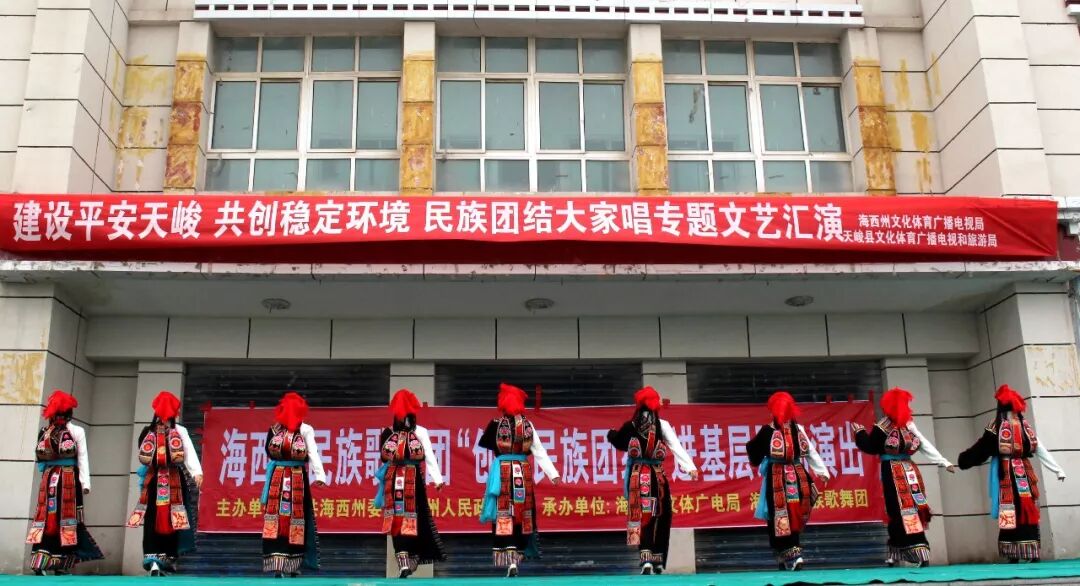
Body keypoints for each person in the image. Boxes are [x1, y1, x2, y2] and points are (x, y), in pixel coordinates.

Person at [958, 384, 1066, 563]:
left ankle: (1031, 551)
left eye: (1017, 411)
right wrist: (965, 460)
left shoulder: (1025, 427)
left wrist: (1057, 469)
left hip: (1024, 472)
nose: (1015, 415)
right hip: (1005, 473)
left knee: (1028, 508)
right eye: (1013, 411)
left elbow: (1039, 448)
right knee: (1009, 509)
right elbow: (981, 448)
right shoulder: (996, 427)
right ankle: (1013, 552)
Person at [850, 388, 955, 567]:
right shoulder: (908, 425)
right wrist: (943, 462)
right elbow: (924, 444)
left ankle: (913, 549)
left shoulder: (882, 426)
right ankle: (906, 550)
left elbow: (870, 447)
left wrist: (859, 433)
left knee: (898, 509)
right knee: (910, 507)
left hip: (892, 471)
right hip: (909, 470)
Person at [606, 386, 699, 575]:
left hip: (637, 478)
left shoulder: (631, 426)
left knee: (642, 516)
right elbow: (676, 446)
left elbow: (619, 442)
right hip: (657, 478)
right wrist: (690, 467)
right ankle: (657, 559)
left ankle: (646, 559)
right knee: (661, 516)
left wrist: (611, 434)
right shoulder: (662, 425)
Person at [478, 383, 561, 577]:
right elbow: (539, 451)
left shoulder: (495, 424)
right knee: (522, 514)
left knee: (504, 514)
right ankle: (517, 557)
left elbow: (485, 443)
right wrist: (553, 473)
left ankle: (509, 557)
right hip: (522, 474)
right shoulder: (527, 425)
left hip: (503, 474)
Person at [746, 391, 830, 571]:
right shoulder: (796, 430)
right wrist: (822, 471)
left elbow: (753, 452)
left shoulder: (768, 431)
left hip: (780, 478)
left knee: (783, 515)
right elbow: (811, 452)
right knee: (790, 514)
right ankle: (790, 555)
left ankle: (787, 555)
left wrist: (822, 471)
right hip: (795, 477)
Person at [126, 391, 203, 576]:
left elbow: (143, 455)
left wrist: (196, 472)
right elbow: (188, 453)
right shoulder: (179, 431)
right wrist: (196, 473)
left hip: (153, 480)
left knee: (154, 517)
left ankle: (154, 560)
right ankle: (166, 559)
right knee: (173, 517)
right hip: (173, 479)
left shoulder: (147, 432)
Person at [26, 390, 104, 575]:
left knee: (47, 517)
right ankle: (59, 563)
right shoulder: (75, 431)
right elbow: (82, 457)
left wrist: (83, 482)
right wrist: (85, 483)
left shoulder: (46, 432)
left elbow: (41, 460)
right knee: (64, 519)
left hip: (51, 479)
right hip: (67, 479)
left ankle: (43, 561)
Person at [376, 389, 447, 578]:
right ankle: (403, 562)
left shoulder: (420, 432)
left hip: (414, 480)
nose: (403, 418)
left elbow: (429, 455)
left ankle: (412, 557)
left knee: (415, 517)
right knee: (396, 519)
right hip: (393, 480)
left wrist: (437, 478)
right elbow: (383, 458)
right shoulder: (388, 433)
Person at [261, 392, 326, 577]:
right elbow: (268, 452)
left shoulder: (305, 430)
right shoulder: (274, 430)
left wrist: (320, 474)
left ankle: (294, 564)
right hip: (277, 479)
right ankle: (278, 565)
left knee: (296, 520)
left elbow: (312, 452)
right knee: (275, 519)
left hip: (297, 478)